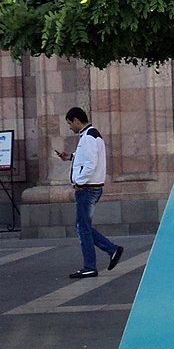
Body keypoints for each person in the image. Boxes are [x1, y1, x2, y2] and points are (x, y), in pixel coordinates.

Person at [56, 107, 123, 279]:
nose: (70, 127)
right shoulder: (89, 136)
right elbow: (85, 158)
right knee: (82, 226)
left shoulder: (89, 137)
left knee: (82, 228)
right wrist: (70, 157)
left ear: (77, 120)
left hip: (87, 188)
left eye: (70, 123)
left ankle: (91, 265)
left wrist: (79, 182)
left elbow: (91, 164)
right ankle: (111, 250)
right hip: (90, 187)